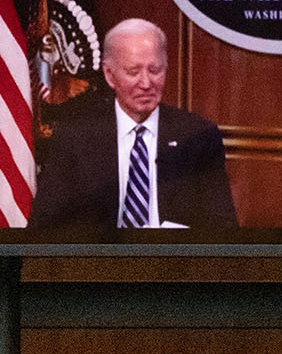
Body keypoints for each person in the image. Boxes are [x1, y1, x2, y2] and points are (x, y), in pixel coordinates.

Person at [29, 20, 239, 232]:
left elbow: (223, 229)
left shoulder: (198, 137)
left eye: (154, 70)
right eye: (133, 71)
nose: (146, 83)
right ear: (110, 76)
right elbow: (45, 228)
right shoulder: (76, 137)